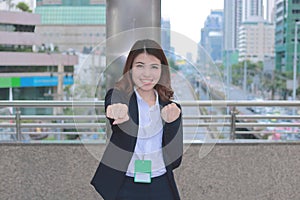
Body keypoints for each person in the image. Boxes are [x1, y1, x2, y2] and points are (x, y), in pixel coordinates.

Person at [91, 39, 183, 200]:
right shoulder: (120, 97)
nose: (147, 74)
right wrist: (117, 110)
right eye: (140, 66)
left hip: (161, 184)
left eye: (154, 67)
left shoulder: (170, 108)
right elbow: (113, 102)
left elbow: (175, 160)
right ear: (130, 69)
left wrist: (172, 123)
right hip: (126, 185)